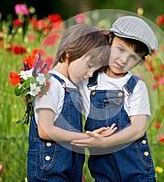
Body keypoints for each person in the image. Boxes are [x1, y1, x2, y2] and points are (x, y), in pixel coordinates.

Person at [72, 15, 158, 181]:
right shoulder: (89, 80)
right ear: (110, 40)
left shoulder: (135, 86)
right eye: (120, 49)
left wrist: (104, 143)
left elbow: (138, 129)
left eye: (133, 57)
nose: (124, 60)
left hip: (136, 172)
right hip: (103, 172)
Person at [27, 24, 116, 182]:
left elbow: (70, 148)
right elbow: (45, 130)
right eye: (89, 66)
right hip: (50, 175)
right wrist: (86, 138)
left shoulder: (72, 88)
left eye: (94, 71)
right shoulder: (50, 84)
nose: (90, 74)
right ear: (69, 54)